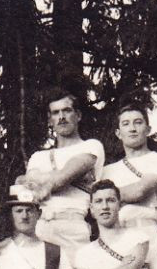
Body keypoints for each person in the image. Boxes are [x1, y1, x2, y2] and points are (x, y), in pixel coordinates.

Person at [19, 88, 104, 249]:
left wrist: (39, 179)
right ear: (50, 119)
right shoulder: (38, 156)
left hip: (73, 228)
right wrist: (32, 181)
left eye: (67, 111)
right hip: (41, 227)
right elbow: (26, 186)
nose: (61, 117)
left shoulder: (91, 146)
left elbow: (61, 179)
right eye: (56, 113)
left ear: (78, 115)